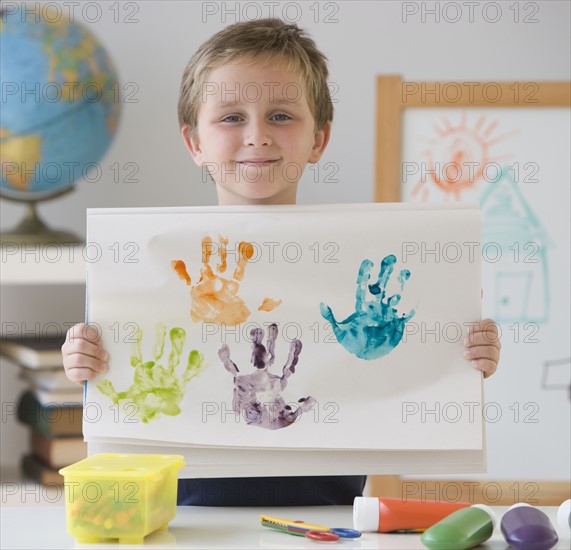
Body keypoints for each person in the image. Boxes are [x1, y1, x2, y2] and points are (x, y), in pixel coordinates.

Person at [62, 18, 501, 506]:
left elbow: (412, 378)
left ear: (319, 140)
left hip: (328, 518)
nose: (257, 136)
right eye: (231, 117)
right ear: (194, 143)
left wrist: (460, 356)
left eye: (281, 116)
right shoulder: (144, 273)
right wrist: (85, 364)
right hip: (192, 521)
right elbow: (120, 395)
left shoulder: (359, 266)